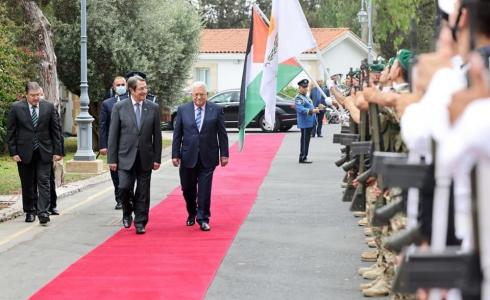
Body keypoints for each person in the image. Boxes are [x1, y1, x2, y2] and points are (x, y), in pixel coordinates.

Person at [108, 75, 162, 234]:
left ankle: (140, 221)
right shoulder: (120, 107)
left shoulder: (153, 108)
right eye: (141, 89)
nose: (145, 91)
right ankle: (127, 211)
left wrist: (157, 158)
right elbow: (113, 135)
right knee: (124, 187)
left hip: (145, 157)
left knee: (143, 192)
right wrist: (112, 159)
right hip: (125, 156)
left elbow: (157, 136)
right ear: (131, 90)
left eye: (145, 88)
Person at [171, 81, 229, 232]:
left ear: (206, 95)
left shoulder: (216, 110)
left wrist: (224, 154)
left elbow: (222, 133)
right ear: (192, 95)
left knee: (204, 189)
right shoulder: (183, 110)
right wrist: (175, 154)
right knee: (187, 188)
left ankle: (203, 218)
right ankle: (192, 212)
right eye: (196, 94)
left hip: (208, 156)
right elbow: (177, 134)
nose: (198, 97)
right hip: (188, 156)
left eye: (201, 94)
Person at [6, 81, 62, 225]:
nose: (36, 98)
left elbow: (56, 130)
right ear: (26, 95)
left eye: (38, 95)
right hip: (24, 152)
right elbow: (11, 131)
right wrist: (13, 152)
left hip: (44, 151)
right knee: (28, 183)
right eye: (33, 95)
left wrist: (58, 151)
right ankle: (30, 211)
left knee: (44, 181)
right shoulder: (16, 108)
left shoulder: (48, 107)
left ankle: (43, 212)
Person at [99, 76, 129, 210]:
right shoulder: (107, 104)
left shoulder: (131, 101)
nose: (121, 86)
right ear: (113, 87)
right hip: (113, 145)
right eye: (118, 85)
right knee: (115, 173)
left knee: (128, 172)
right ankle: (120, 199)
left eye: (123, 84)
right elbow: (103, 126)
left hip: (129, 144)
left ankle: (128, 197)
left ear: (127, 86)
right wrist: (103, 145)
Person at [295, 79, 320, 164]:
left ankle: (304, 156)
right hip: (305, 123)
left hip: (310, 122)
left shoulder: (306, 97)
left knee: (306, 140)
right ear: (299, 88)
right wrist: (312, 111)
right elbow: (300, 109)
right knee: (304, 140)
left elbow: (310, 107)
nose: (306, 88)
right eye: (304, 87)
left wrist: (316, 108)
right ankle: (302, 157)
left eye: (307, 87)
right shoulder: (299, 98)